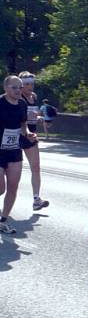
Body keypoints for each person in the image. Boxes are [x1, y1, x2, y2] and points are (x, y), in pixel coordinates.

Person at [1, 76, 37, 234]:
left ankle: (3, 220)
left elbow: (23, 124)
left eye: (20, 87)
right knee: (0, 188)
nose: (18, 90)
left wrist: (28, 134)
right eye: (14, 87)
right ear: (6, 88)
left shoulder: (22, 104)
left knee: (13, 187)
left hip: (14, 150)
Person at [18, 72, 49, 210]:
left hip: (31, 135)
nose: (30, 86)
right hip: (16, 135)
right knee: (10, 171)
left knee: (35, 167)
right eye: (27, 84)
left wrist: (38, 118)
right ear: (21, 85)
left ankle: (36, 199)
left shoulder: (34, 97)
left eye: (32, 84)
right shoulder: (18, 97)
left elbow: (33, 116)